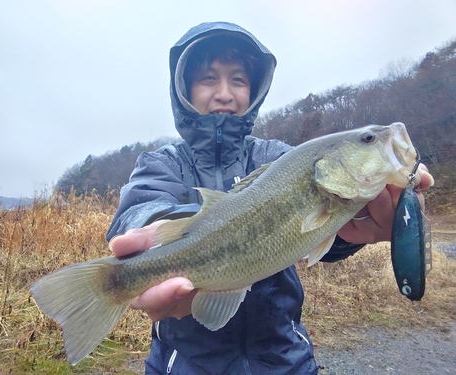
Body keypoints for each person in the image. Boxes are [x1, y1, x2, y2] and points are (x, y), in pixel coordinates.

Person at [106, 22, 433, 374]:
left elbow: (314, 240)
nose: (224, 93)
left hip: (285, 361)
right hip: (183, 364)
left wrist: (365, 225)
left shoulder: (278, 157)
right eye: (208, 79)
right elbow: (140, 211)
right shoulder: (161, 163)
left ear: (254, 90)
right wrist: (161, 233)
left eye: (238, 80)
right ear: (183, 89)